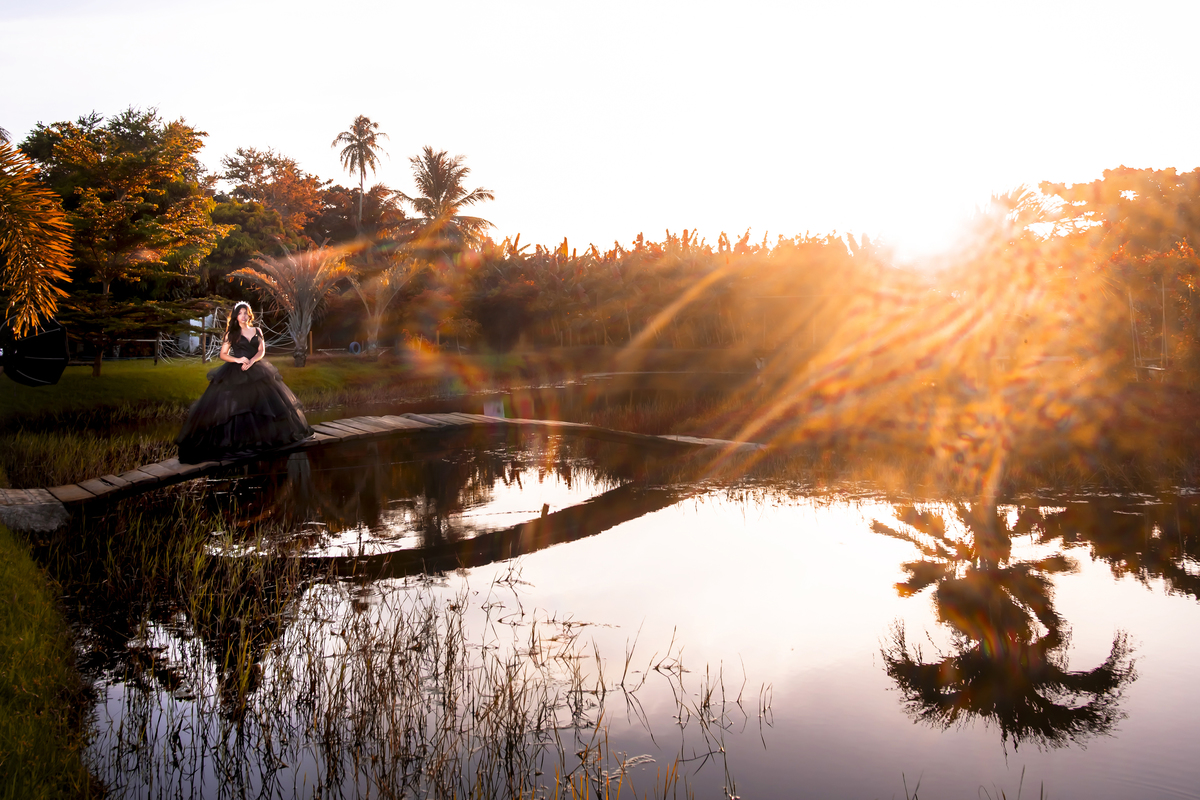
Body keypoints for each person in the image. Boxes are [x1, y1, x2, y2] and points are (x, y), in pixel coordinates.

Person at [176, 302, 313, 464]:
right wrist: (239, 360)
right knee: (239, 408)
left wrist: (252, 361)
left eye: (246, 312)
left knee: (264, 405)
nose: (243, 315)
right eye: (240, 313)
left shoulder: (257, 330)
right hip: (236, 370)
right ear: (235, 316)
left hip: (256, 368)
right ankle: (239, 441)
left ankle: (263, 440)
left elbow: (261, 351)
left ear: (249, 315)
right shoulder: (231, 333)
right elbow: (223, 354)